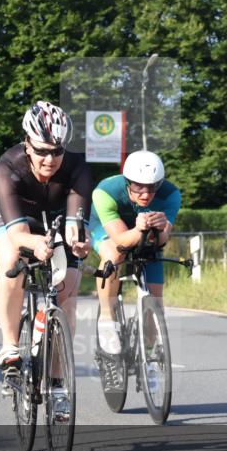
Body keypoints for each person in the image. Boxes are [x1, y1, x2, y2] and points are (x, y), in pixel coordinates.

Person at [0, 101, 92, 374]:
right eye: (41, 151)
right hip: (6, 214)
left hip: (53, 216)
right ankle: (9, 346)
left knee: (70, 287)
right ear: (27, 143)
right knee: (12, 257)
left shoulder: (78, 167)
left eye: (57, 152)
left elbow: (76, 226)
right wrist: (36, 244)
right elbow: (18, 236)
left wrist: (79, 244)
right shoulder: (8, 166)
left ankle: (57, 381)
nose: (49, 160)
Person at [89, 150, 181, 354]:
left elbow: (162, 240)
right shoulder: (105, 191)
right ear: (127, 181)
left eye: (152, 187)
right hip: (107, 229)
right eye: (138, 187)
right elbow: (121, 241)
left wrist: (161, 227)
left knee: (156, 303)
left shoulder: (171, 194)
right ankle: (106, 318)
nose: (146, 194)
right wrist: (139, 229)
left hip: (146, 233)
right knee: (114, 255)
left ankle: (149, 356)